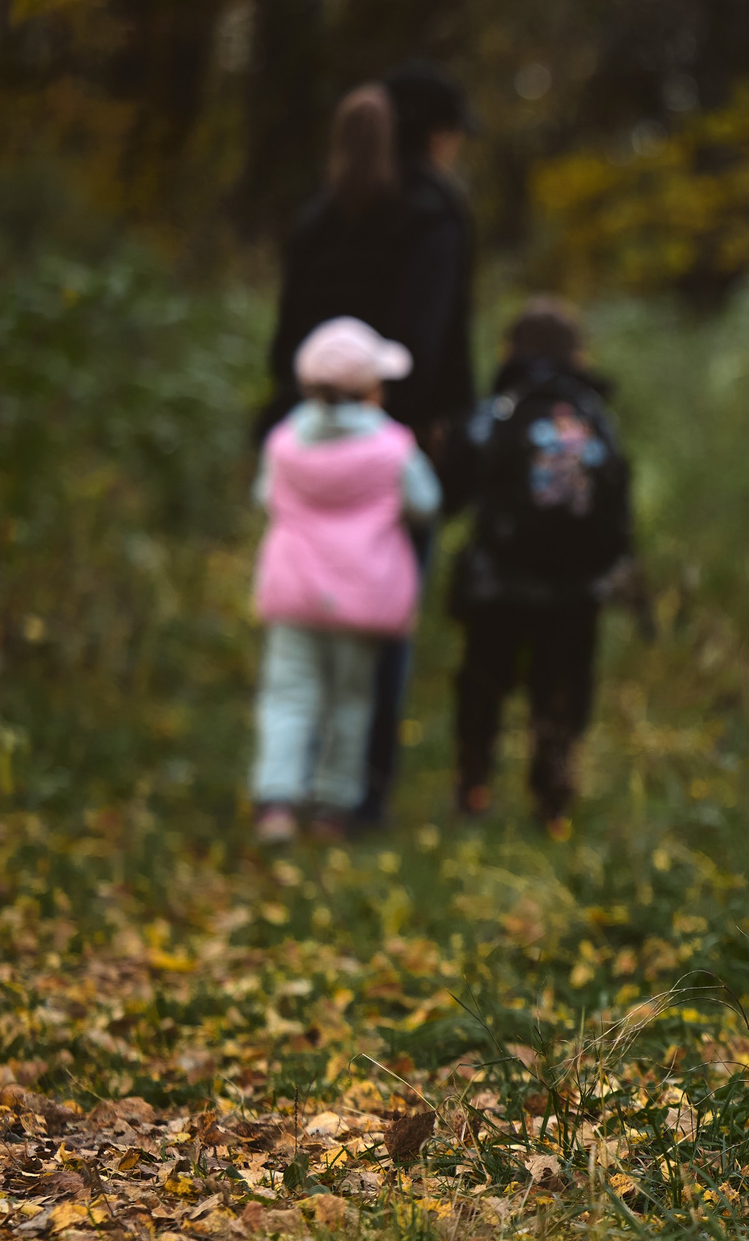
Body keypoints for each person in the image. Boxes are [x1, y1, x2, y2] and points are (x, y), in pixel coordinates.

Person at [257, 64, 479, 831]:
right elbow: (432, 343)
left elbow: (284, 341)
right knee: (377, 634)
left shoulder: (319, 216)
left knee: (298, 658)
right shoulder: (434, 219)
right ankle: (354, 796)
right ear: (434, 137)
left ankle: (284, 789)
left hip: (307, 443)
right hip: (402, 447)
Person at [249, 319, 444, 842]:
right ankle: (333, 808)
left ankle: (276, 801)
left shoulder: (285, 442)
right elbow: (426, 504)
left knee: (287, 695)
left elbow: (265, 496)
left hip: (294, 591)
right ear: (372, 389)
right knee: (350, 702)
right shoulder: (393, 446)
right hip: (364, 596)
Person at [450, 299, 634, 838]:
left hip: (500, 579)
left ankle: (474, 782)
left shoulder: (499, 409)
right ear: (577, 353)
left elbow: (456, 483)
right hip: (578, 584)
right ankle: (553, 794)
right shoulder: (593, 412)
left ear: (510, 349)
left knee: (484, 681)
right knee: (561, 686)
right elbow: (618, 495)